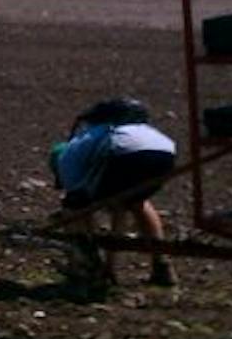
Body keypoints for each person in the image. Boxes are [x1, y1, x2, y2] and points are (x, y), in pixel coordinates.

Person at [50, 98, 177, 287]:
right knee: (136, 201)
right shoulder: (133, 129)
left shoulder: (69, 154)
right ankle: (162, 265)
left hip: (122, 151)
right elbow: (118, 208)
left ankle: (89, 266)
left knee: (73, 208)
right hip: (166, 151)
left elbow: (76, 196)